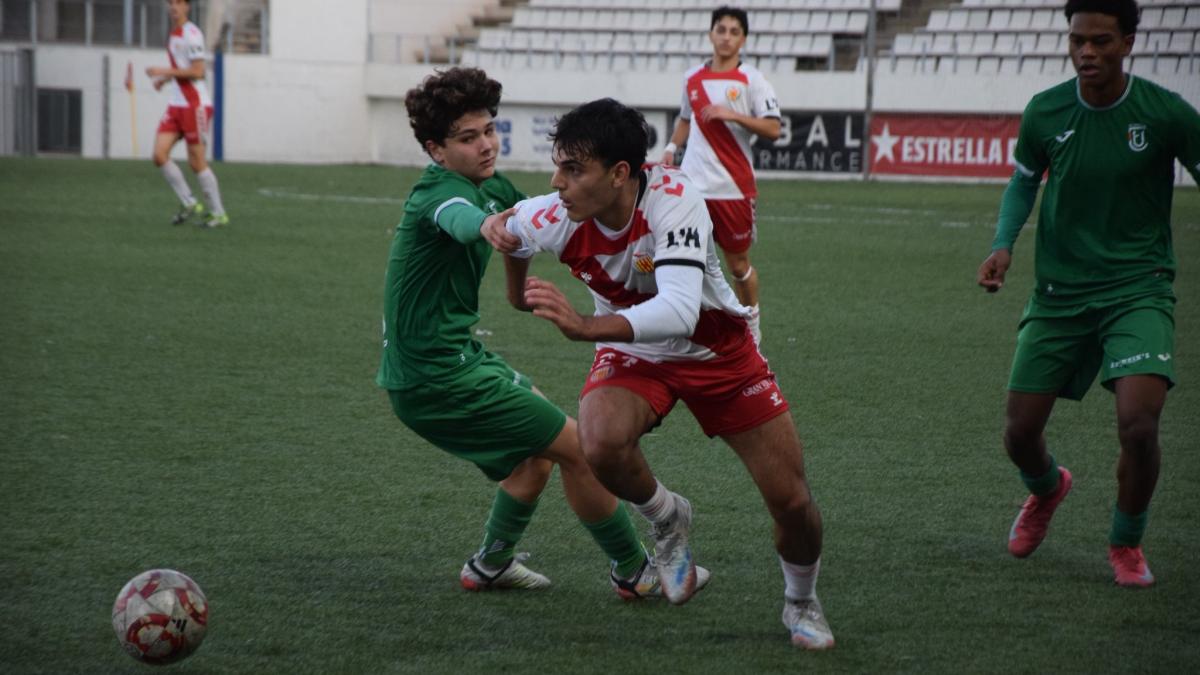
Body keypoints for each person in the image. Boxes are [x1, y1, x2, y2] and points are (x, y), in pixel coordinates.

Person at [481, 98, 832, 649]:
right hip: (637, 353)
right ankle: (668, 519)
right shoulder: (558, 214)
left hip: (717, 351)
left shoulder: (675, 200)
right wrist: (510, 271)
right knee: (599, 443)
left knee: (791, 502)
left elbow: (678, 312)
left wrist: (584, 326)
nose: (557, 182)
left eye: (573, 169)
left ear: (620, 173)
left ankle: (800, 600)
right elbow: (511, 229)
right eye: (558, 166)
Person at [377, 68, 709, 600]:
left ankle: (490, 565)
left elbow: (534, 221)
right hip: (432, 375)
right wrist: (485, 227)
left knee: (534, 459)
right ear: (436, 150)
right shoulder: (435, 193)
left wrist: (516, 285)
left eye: (489, 130)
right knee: (580, 448)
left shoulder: (497, 188)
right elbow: (460, 218)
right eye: (468, 139)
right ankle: (633, 569)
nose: (486, 145)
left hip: (457, 358)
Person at [976, 0, 1200, 587]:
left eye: (1101, 42)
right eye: (1077, 41)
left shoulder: (1166, 113)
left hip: (1138, 290)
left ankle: (1126, 542)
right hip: (1059, 293)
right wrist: (1004, 245)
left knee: (1139, 425)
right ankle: (1048, 488)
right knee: (1019, 432)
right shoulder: (1045, 112)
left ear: (1128, 42)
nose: (1086, 53)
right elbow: (1023, 184)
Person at [660, 6, 781, 344]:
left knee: (738, 266)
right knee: (683, 257)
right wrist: (671, 148)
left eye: (733, 31)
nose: (726, 36)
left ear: (743, 39)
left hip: (733, 187)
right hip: (692, 186)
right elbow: (686, 118)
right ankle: (688, 327)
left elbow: (773, 128)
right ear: (711, 34)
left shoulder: (752, 80)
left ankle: (751, 328)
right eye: (721, 29)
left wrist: (733, 115)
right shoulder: (692, 78)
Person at [146, 0, 229, 228]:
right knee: (159, 154)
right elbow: (184, 68)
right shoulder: (174, 33)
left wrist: (163, 71)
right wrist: (165, 80)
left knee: (196, 162)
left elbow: (198, 71)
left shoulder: (192, 33)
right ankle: (189, 202)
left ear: (187, 7)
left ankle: (217, 213)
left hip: (195, 105)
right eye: (171, 2)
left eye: (178, 3)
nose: (173, 7)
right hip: (176, 105)